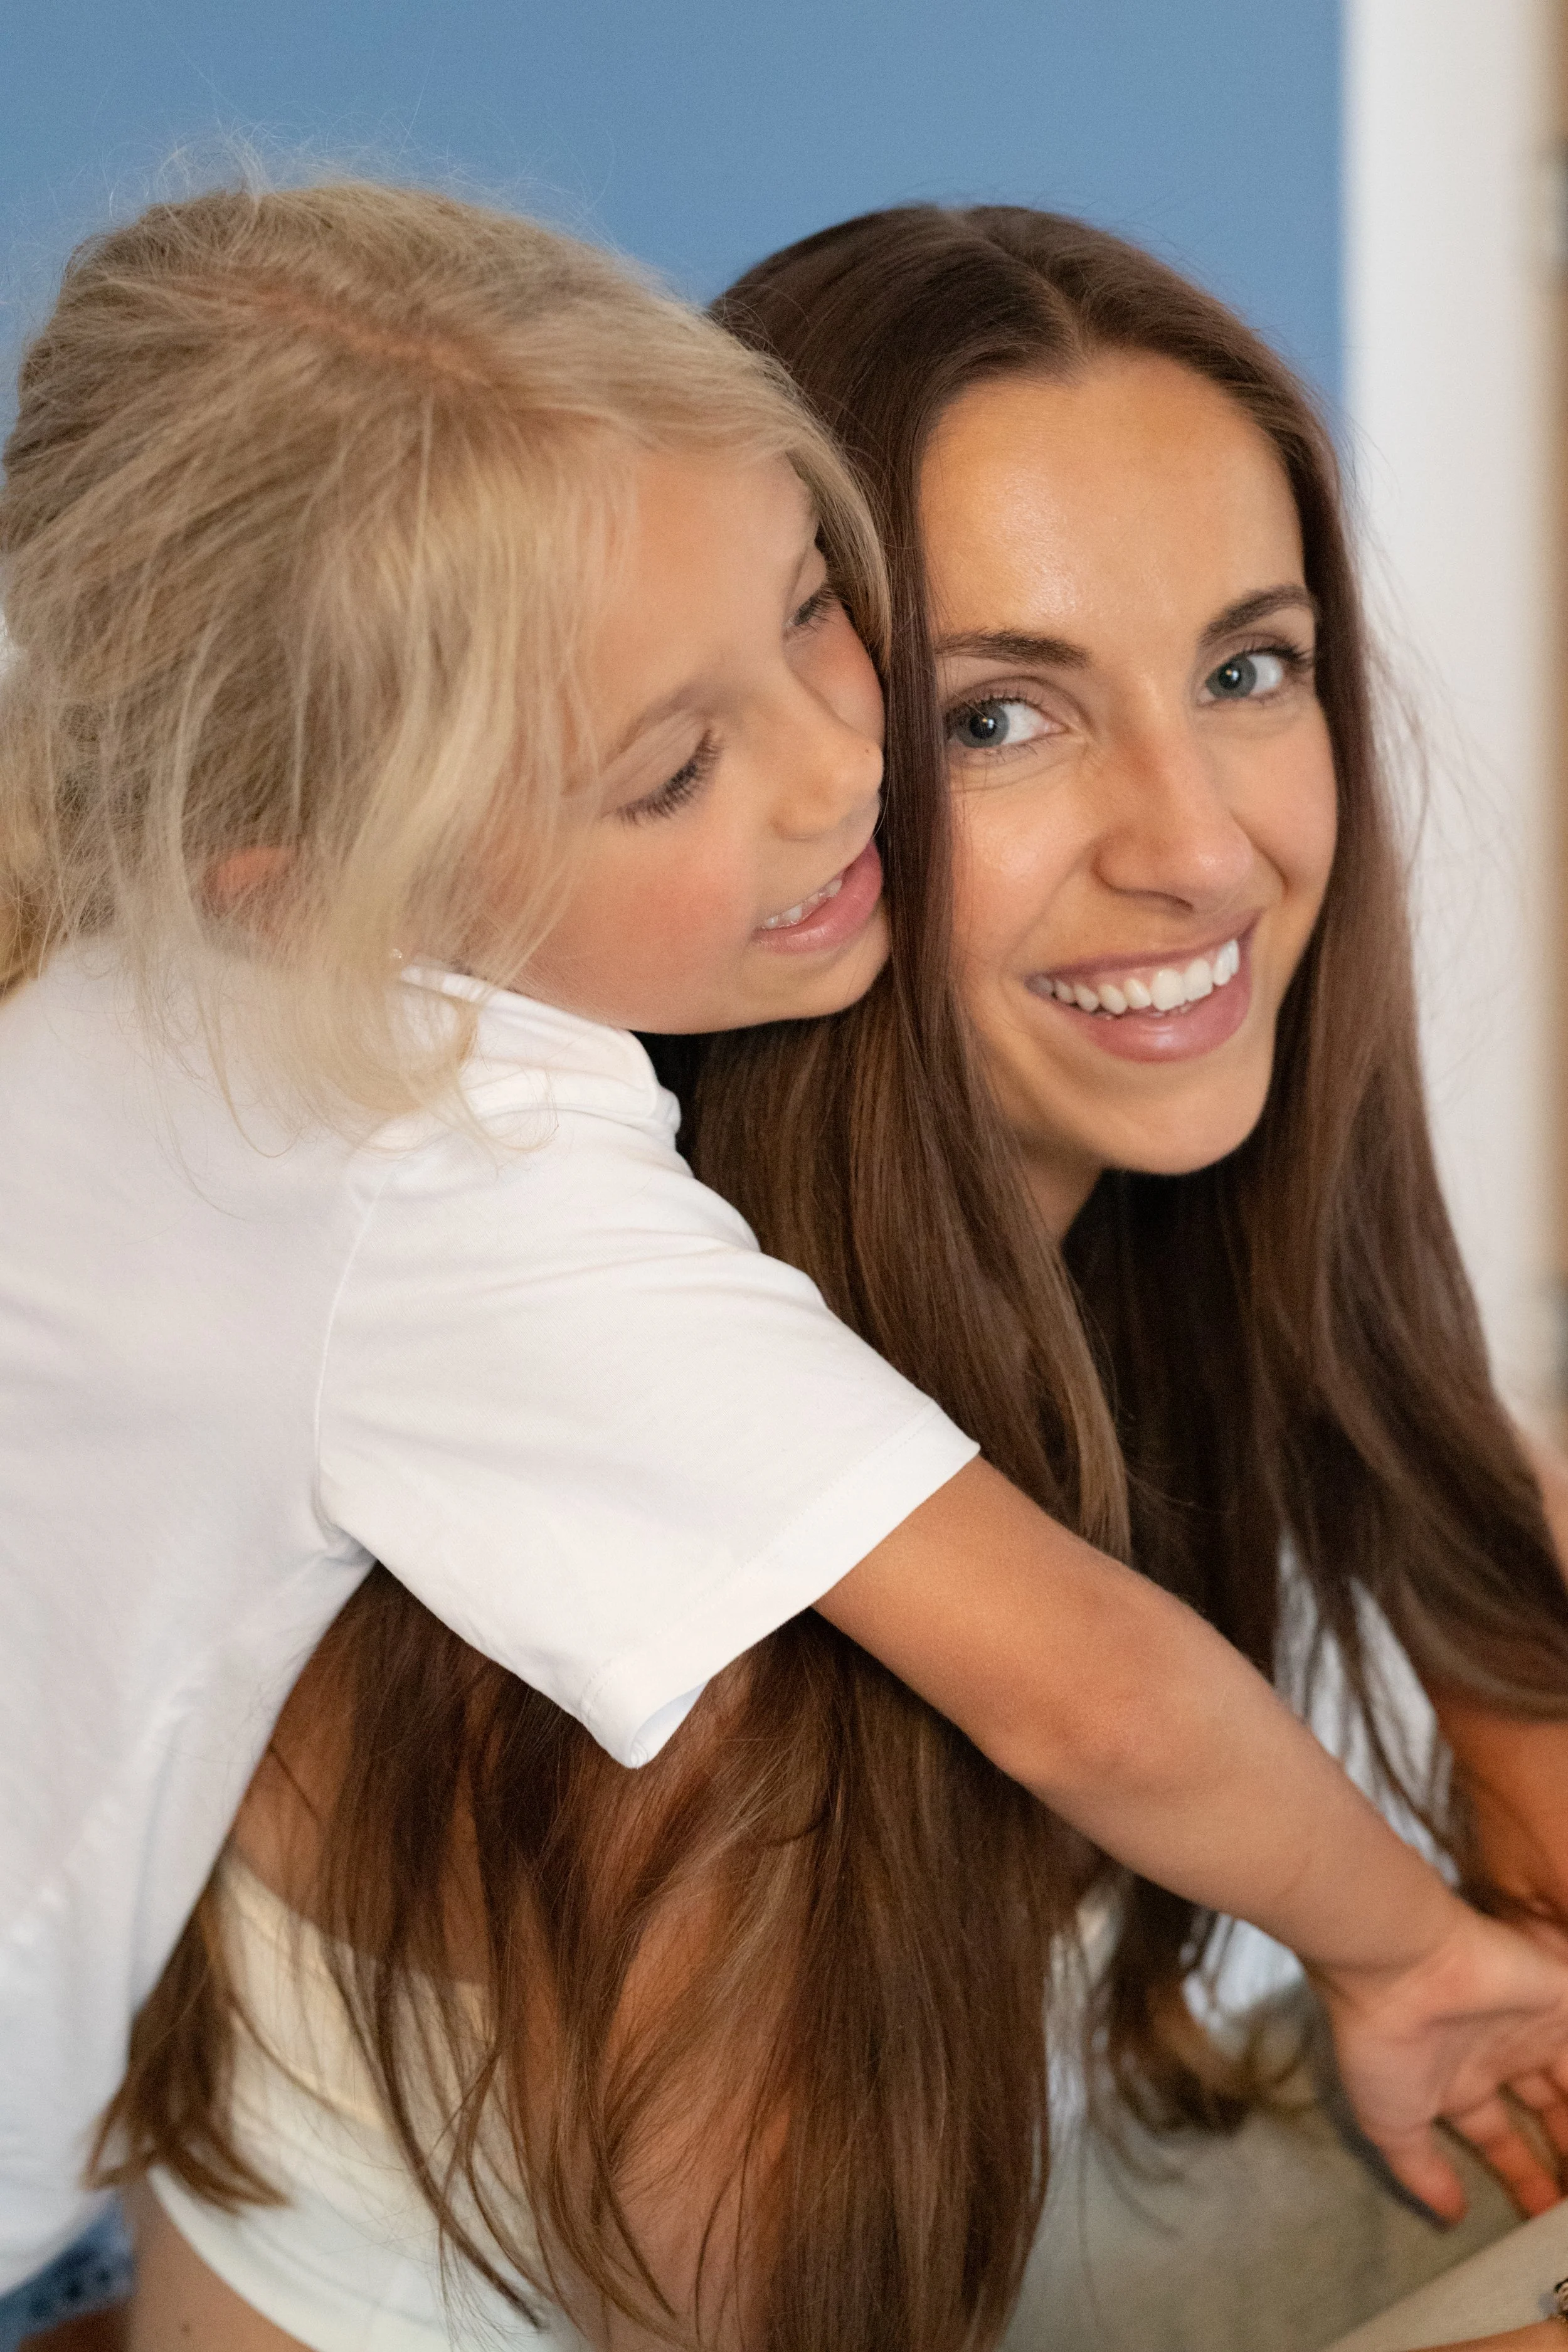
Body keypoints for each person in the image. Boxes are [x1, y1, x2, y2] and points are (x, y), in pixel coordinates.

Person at [98, 201, 1568, 2352]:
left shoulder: (1144, 1216)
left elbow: (1487, 1611)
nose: (1196, 841)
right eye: (998, 719)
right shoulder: (692, 1663)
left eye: (1248, 670)